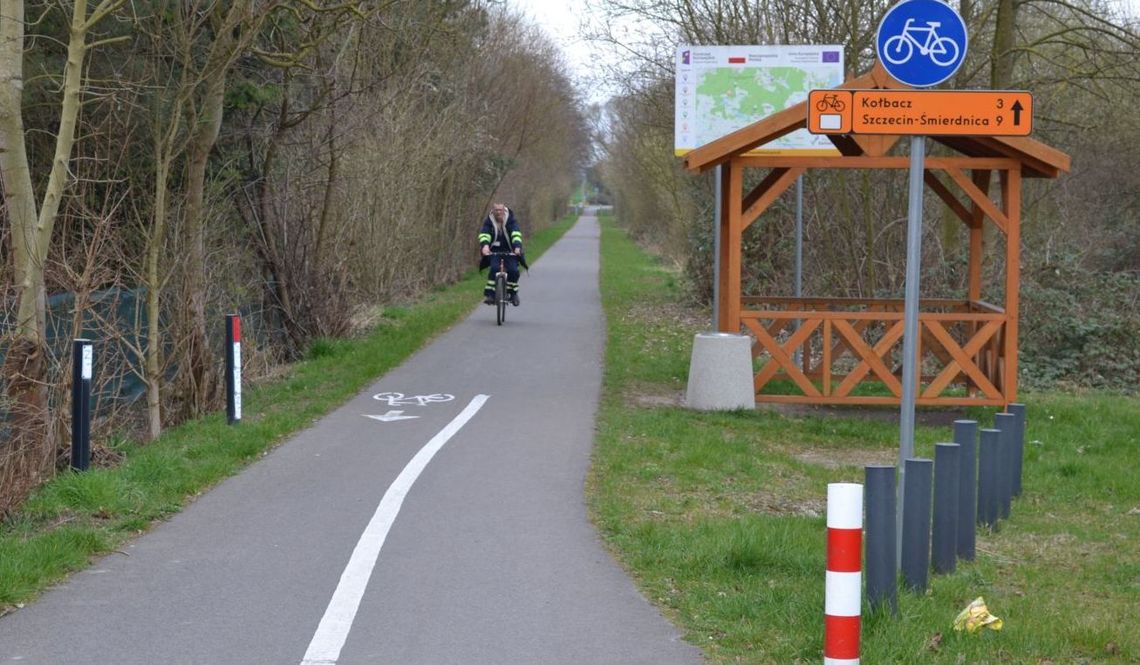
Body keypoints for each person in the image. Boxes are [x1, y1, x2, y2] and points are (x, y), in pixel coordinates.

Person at [478, 203, 524, 306]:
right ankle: (490, 295)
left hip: (510, 251)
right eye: (496, 210)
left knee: (513, 270)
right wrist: (485, 246)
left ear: (504, 211)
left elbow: (515, 233)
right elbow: (485, 234)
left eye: (500, 210)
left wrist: (517, 247)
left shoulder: (510, 220)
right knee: (494, 269)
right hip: (494, 251)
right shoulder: (489, 221)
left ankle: (513, 294)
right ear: (493, 211)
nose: (498, 212)